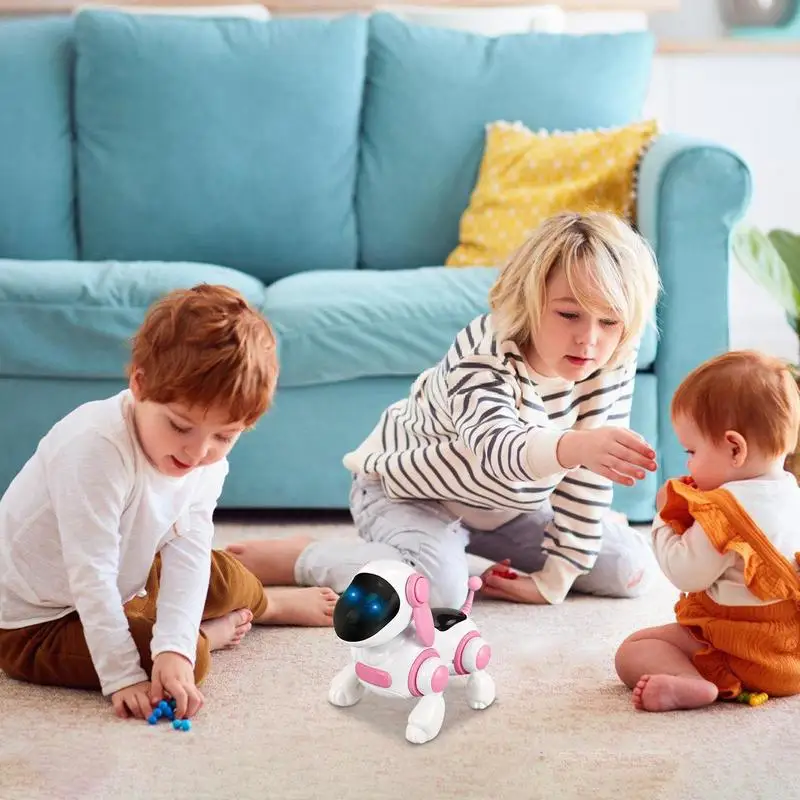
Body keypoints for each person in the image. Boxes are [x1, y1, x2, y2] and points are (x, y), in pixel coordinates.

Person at [227, 211, 662, 609]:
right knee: (438, 594)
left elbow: (589, 470)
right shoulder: (485, 352)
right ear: (530, 301)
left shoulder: (612, 354)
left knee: (629, 568)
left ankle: (446, 551)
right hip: (409, 490)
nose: (589, 339)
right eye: (569, 314)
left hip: (506, 508)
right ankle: (307, 556)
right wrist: (578, 447)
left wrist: (558, 575)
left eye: (608, 321)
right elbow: (499, 452)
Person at [0, 284, 337, 722]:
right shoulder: (94, 449)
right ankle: (207, 635)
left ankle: (267, 605)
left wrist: (170, 644)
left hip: (128, 583)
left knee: (223, 575)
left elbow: (189, 550)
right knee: (188, 663)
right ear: (139, 384)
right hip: (35, 624)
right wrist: (129, 673)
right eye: (180, 426)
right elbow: (92, 576)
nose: (197, 453)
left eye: (224, 436)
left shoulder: (204, 461)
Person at [615, 350, 800, 712]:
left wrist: (665, 519)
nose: (688, 463)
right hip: (791, 656)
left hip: (742, 653)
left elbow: (686, 571)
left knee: (634, 650)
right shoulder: (791, 493)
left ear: (735, 448)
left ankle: (692, 683)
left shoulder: (725, 509)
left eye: (692, 450)